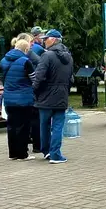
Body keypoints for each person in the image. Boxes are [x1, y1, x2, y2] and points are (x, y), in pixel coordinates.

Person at [32, 29, 73, 164]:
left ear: (54, 40)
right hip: (61, 96)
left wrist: (35, 91)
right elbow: (71, 79)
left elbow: (39, 76)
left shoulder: (47, 56)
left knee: (44, 124)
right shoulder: (69, 57)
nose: (44, 41)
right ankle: (55, 153)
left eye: (47, 38)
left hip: (45, 96)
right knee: (57, 126)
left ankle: (48, 151)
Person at [1, 37, 37, 160]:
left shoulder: (4, 60)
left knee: (11, 126)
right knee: (23, 126)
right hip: (23, 99)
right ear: (26, 49)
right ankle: (22, 154)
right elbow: (34, 79)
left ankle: (13, 153)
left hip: (9, 99)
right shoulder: (25, 61)